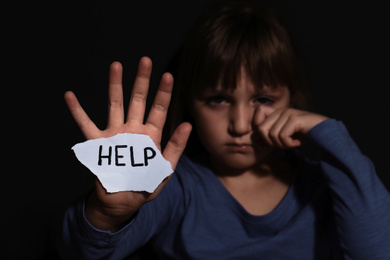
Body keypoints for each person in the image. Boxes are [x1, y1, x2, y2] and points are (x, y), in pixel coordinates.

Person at [59, 1, 390, 259]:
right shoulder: (172, 185)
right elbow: (84, 254)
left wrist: (329, 134)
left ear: (292, 99)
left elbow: (376, 252)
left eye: (263, 99)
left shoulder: (318, 188)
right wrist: (106, 213)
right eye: (218, 99)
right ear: (191, 102)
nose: (241, 125)